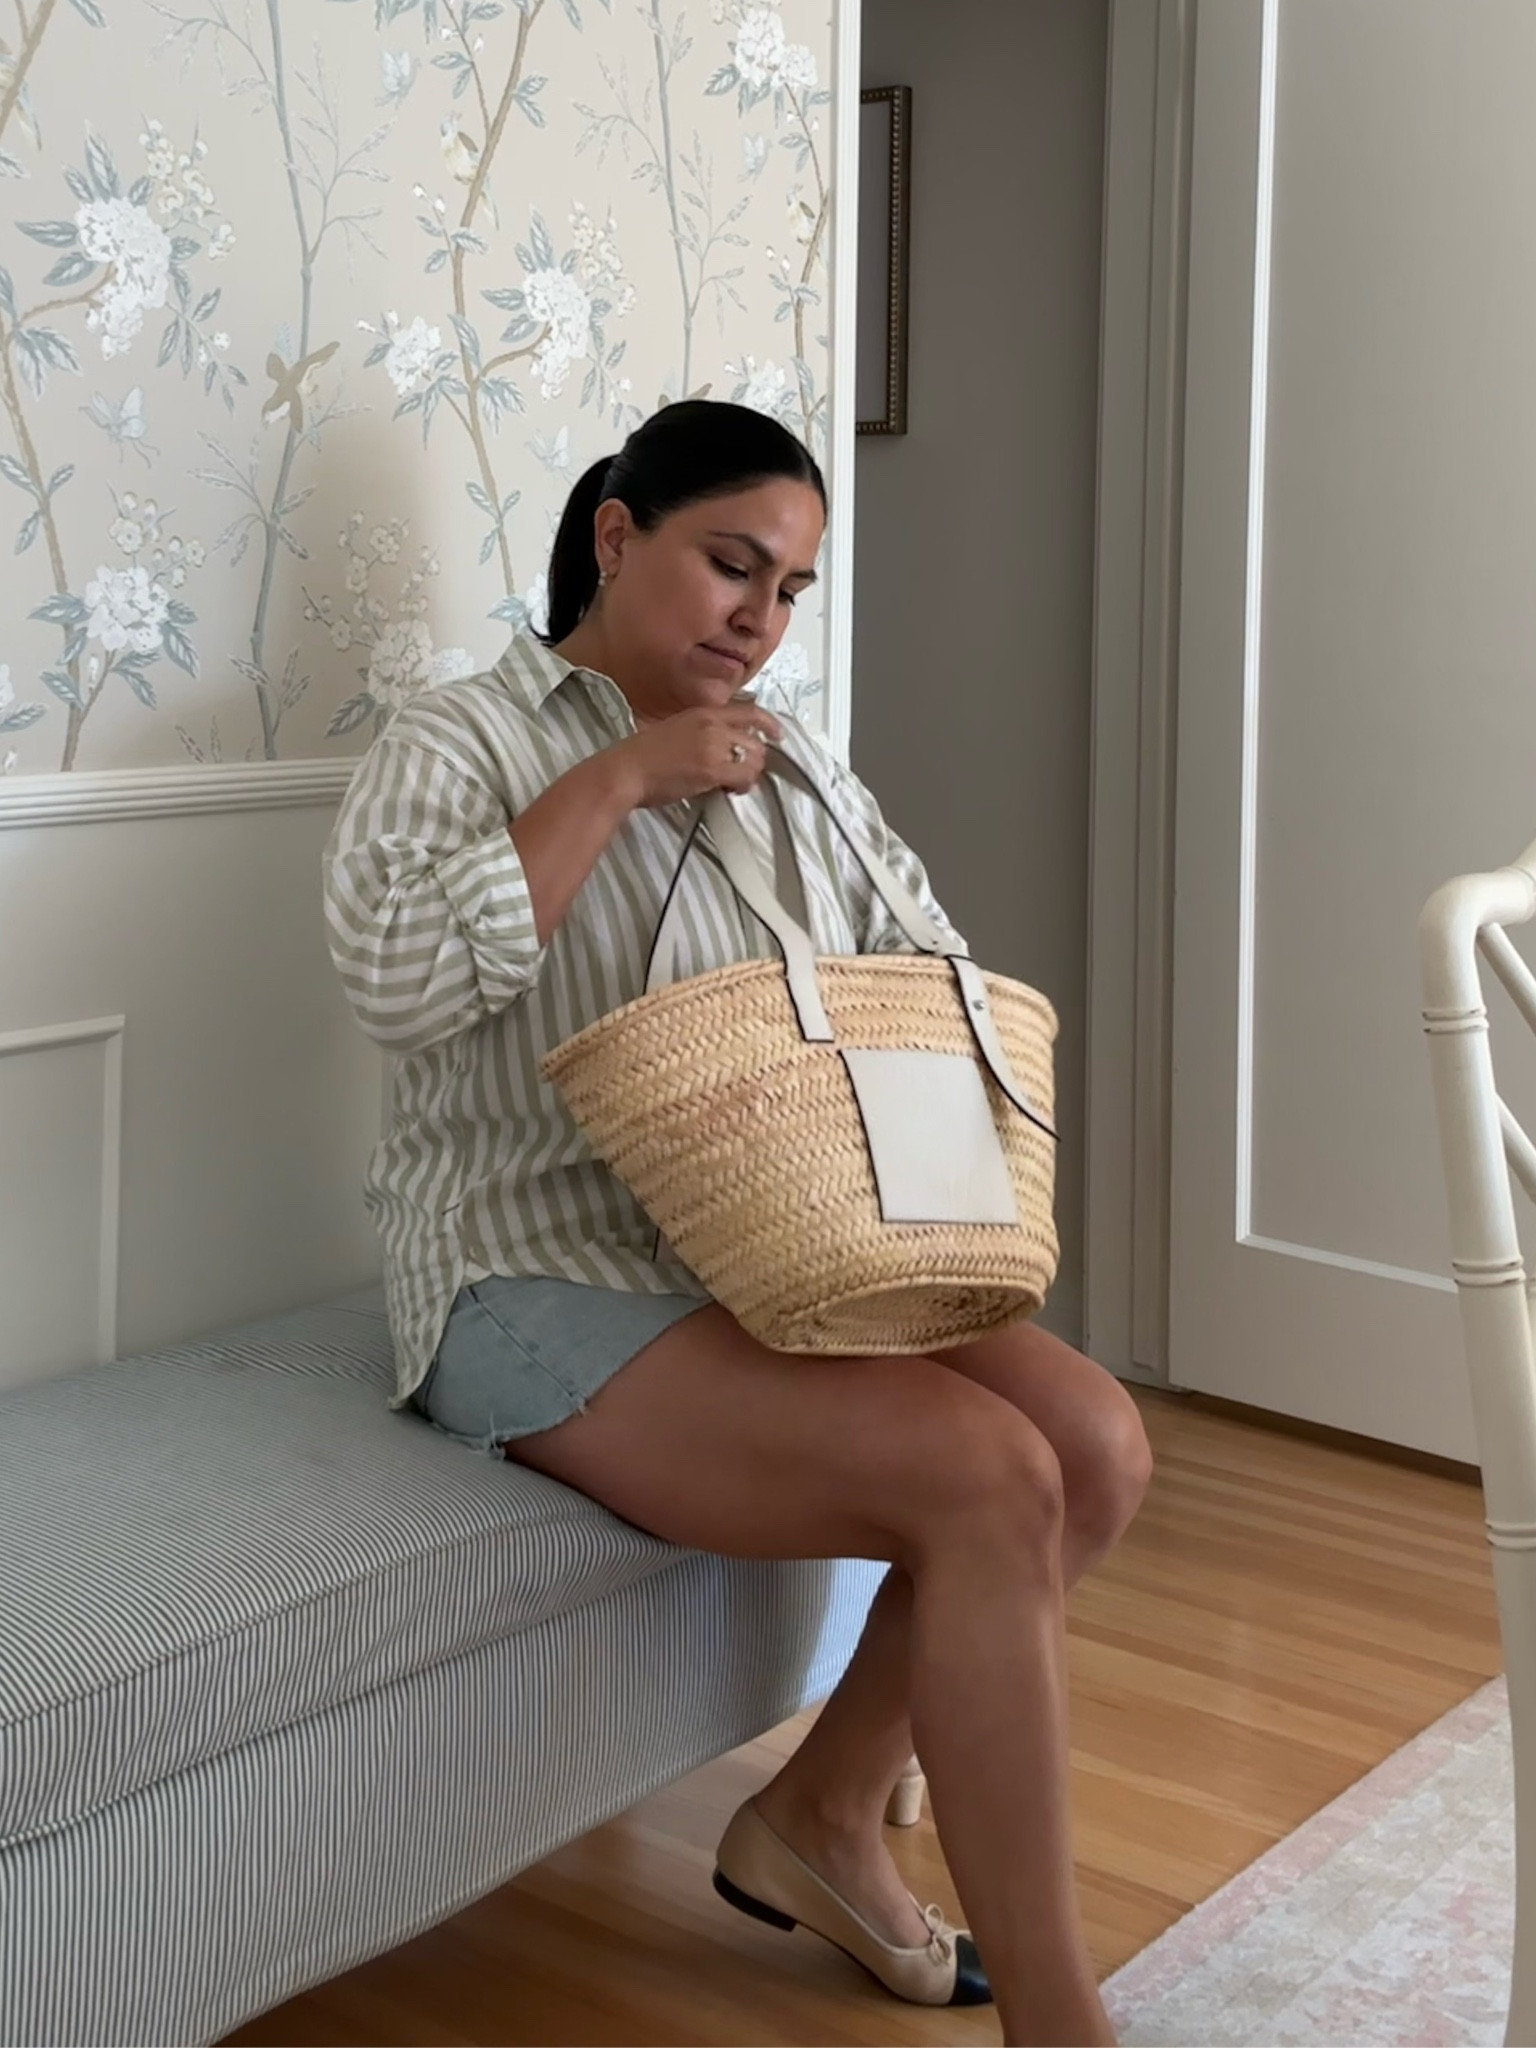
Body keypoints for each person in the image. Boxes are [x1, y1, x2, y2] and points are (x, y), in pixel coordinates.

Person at [324, 399, 1150, 2047]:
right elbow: (399, 987)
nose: (760, 617)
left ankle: (823, 1813)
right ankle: (1065, 2024)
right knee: (986, 1474)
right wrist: (624, 775)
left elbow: (920, 961)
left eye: (789, 589)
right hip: (524, 1268)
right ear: (617, 534)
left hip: (767, 1239)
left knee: (1096, 1443)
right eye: (731, 564)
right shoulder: (458, 739)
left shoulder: (790, 757)